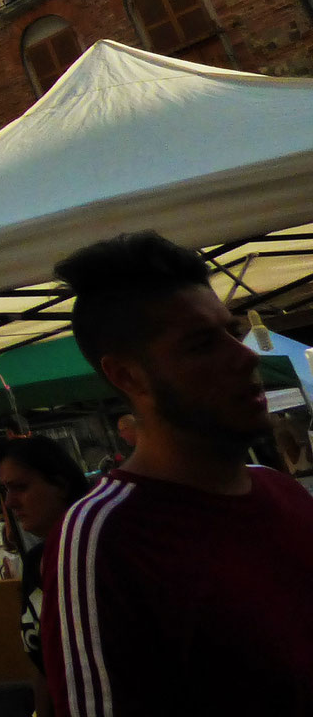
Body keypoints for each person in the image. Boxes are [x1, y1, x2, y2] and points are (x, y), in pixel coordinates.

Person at [41, 232, 313, 716]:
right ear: (127, 376)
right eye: (201, 344)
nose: (246, 354)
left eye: (231, 330)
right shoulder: (103, 537)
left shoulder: (283, 492)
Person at [0, 434, 90, 717]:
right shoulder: (36, 559)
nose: (10, 502)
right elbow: (43, 667)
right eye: (5, 491)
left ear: (60, 484)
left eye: (20, 487)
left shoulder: (92, 553)